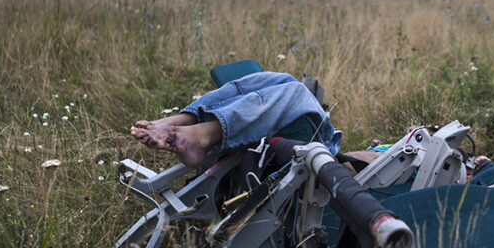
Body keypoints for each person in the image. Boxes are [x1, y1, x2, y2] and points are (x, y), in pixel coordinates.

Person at [130, 71, 342, 167]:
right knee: (283, 79)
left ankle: (202, 137)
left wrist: (374, 154)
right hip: (340, 147)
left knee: (296, 92)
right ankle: (187, 118)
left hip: (326, 149)